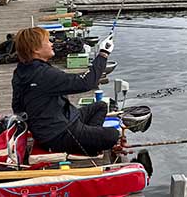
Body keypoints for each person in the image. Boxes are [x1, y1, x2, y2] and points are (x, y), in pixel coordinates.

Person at [11, 27, 122, 156]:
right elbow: (86, 83)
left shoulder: (21, 71)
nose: (52, 44)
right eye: (47, 41)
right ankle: (89, 145)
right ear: (36, 50)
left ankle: (90, 141)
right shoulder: (44, 74)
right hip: (58, 134)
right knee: (113, 135)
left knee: (101, 106)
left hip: (60, 121)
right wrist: (103, 53)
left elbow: (17, 106)